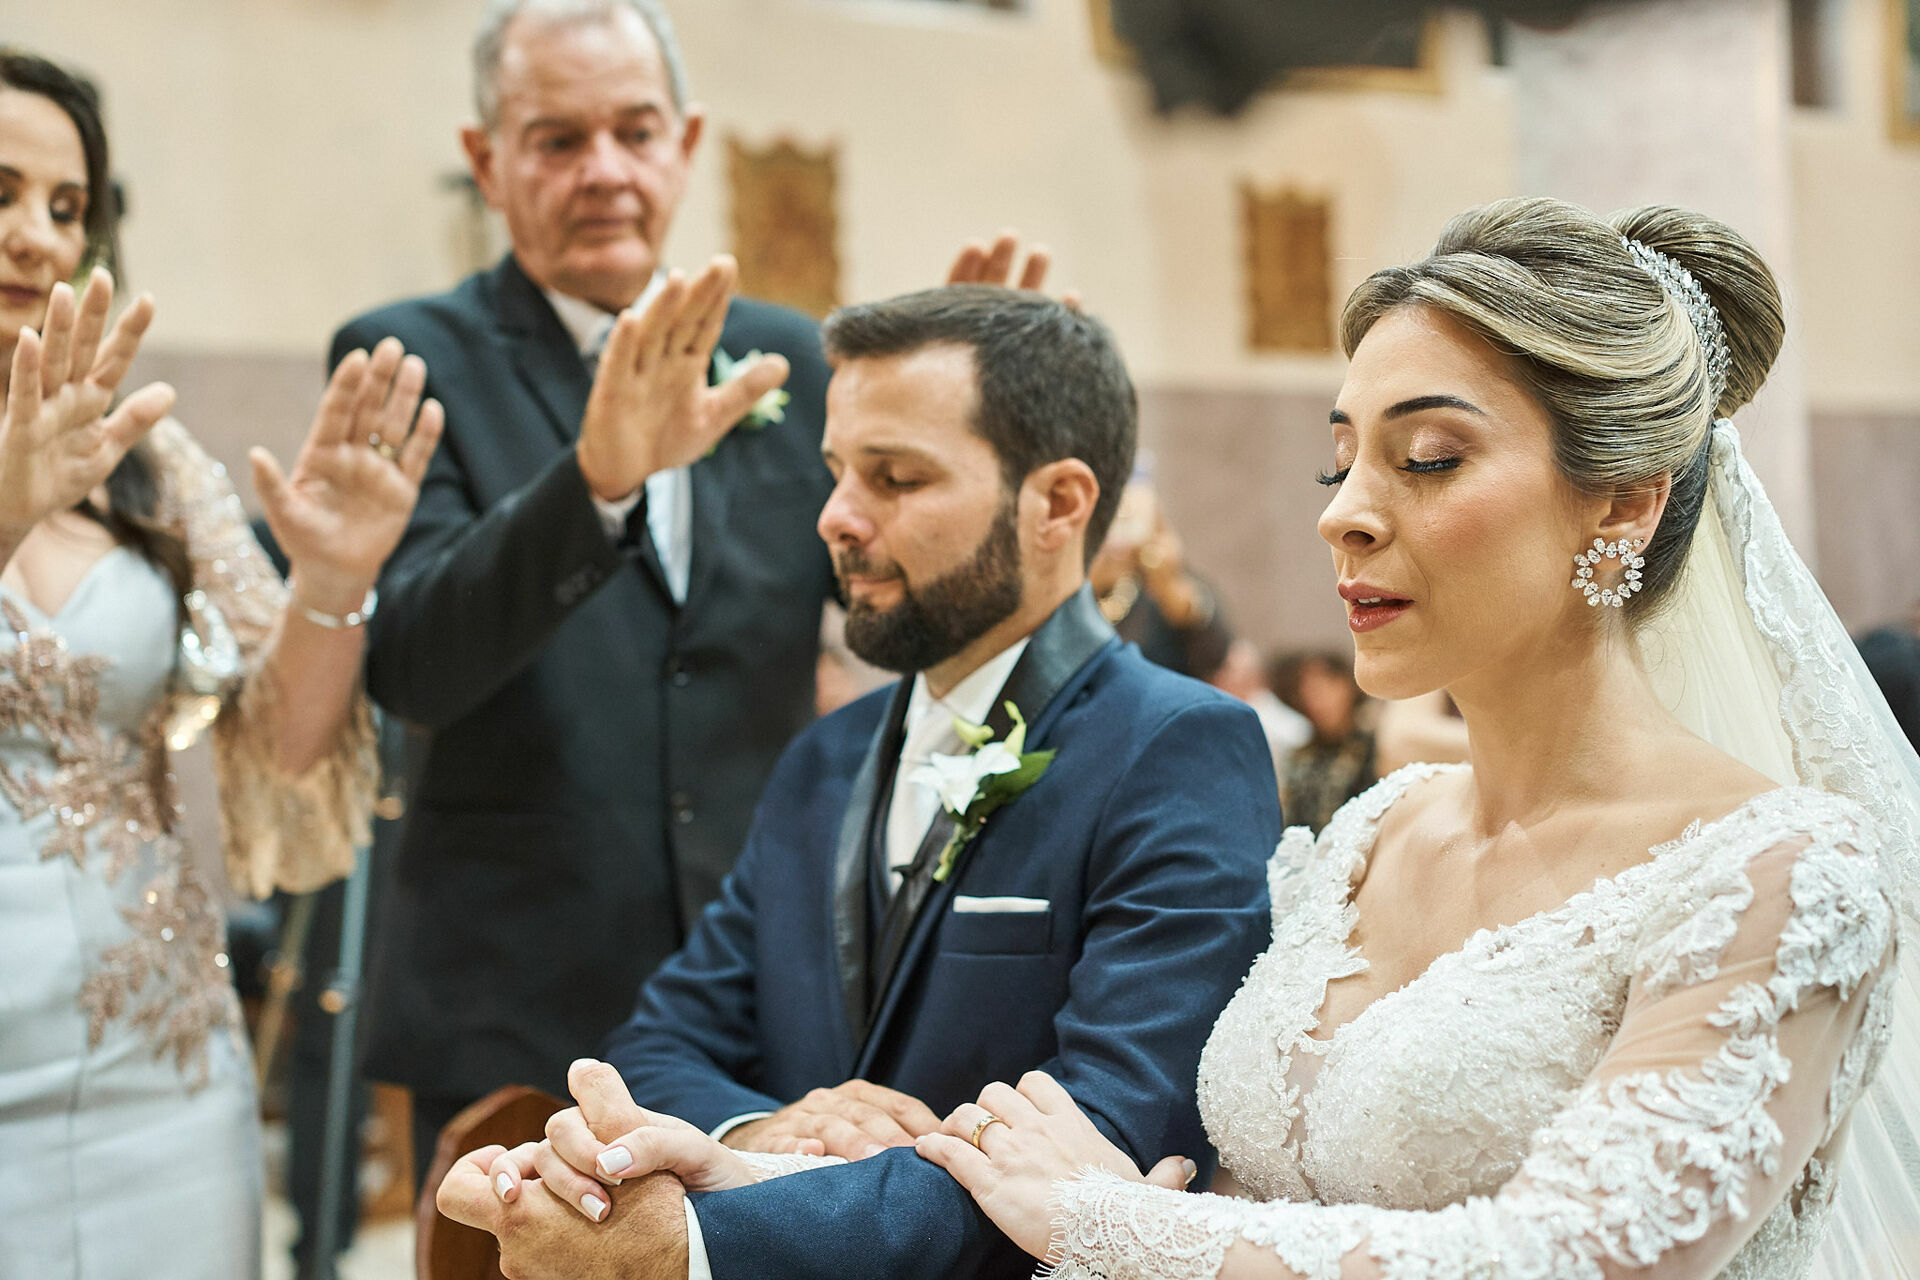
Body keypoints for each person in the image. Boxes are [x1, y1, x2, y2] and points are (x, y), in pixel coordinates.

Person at [554, 199, 1919, 1277]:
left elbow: (1558, 1256)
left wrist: (1112, 1225)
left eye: (1426, 458)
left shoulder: (1784, 874)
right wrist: (740, 1172)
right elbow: (1206, 1183)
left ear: (1620, 503)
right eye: (1343, 459)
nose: (1346, 512)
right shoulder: (1366, 842)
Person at [437, 285, 1282, 1280]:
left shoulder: (1179, 746)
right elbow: (662, 1037)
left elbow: (1111, 1129)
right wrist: (768, 1129)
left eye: (896, 477)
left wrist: (719, 1231)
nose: (837, 517)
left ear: (1058, 502)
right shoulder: (823, 756)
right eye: (837, 471)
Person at [337, 0, 1054, 1168]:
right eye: (558, 139)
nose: (604, 170)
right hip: (510, 1004)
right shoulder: (412, 355)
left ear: (687, 141)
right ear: (487, 160)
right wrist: (598, 480)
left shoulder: (792, 356)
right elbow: (416, 665)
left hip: (756, 998)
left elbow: (897, 619)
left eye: (634, 130)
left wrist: (980, 445)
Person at [0, 50, 441, 1278]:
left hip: (167, 1061)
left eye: (66, 206)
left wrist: (335, 579)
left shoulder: (144, 454)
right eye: (0, 193)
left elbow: (284, 744)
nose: (37, 237)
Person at [1267, 649, 1374, 832]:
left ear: (1347, 686)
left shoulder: (1373, 747)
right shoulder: (1299, 756)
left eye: (1324, 687)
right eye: (1307, 690)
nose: (1316, 699)